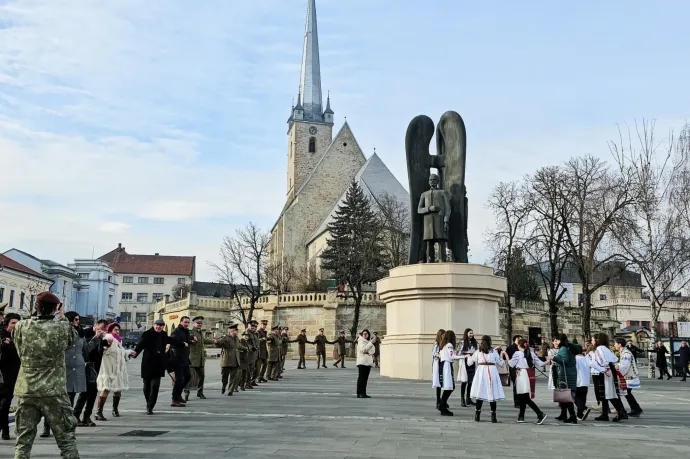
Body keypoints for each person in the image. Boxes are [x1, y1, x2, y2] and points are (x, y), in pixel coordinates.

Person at [12, 292, 80, 459]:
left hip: (27, 389)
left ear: (36, 307)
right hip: (53, 390)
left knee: (23, 442)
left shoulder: (21, 326)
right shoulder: (62, 327)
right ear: (56, 308)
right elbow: (73, 337)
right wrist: (62, 316)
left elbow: (17, 342)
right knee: (66, 439)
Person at [131, 319, 176, 414]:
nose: (159, 327)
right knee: (146, 387)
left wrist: (183, 344)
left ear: (163, 326)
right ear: (154, 325)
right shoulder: (147, 334)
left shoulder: (163, 335)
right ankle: (149, 402)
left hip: (159, 364)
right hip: (147, 363)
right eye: (157, 325)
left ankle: (150, 406)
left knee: (155, 386)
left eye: (161, 325)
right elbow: (140, 345)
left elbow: (172, 340)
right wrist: (135, 353)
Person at [95, 322, 134, 420]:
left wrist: (128, 353)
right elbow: (103, 350)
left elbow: (120, 353)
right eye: (115, 330)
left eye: (118, 330)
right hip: (109, 369)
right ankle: (98, 412)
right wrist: (107, 344)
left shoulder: (118, 341)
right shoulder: (108, 338)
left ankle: (115, 409)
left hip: (118, 370)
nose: (117, 331)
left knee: (118, 390)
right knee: (106, 389)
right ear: (110, 330)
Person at [73, 319, 107, 427]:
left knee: (92, 393)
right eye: (100, 329)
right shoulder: (86, 333)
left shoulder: (102, 337)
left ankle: (87, 416)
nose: (101, 331)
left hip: (95, 368)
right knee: (84, 393)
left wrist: (106, 343)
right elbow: (85, 348)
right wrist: (96, 337)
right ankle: (76, 415)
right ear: (95, 326)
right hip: (85, 367)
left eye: (104, 330)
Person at [468, 335, 508, 423]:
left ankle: (477, 415)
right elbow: (501, 364)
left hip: (481, 371)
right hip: (492, 371)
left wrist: (468, 357)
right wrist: (501, 354)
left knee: (480, 392)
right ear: (490, 342)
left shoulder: (478, 351)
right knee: (492, 393)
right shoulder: (493, 351)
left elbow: (470, 362)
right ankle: (493, 416)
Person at [590, 333, 628, 422]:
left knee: (609, 393)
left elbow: (601, 361)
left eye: (593, 339)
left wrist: (603, 369)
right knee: (606, 394)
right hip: (609, 371)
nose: (592, 341)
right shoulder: (606, 348)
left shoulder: (599, 349)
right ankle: (604, 413)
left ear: (597, 340)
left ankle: (621, 412)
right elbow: (615, 359)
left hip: (605, 372)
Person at [509, 338, 547, 424]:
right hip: (528, 374)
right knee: (523, 396)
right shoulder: (532, 353)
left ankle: (540, 413)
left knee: (525, 397)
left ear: (519, 346)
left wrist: (505, 356)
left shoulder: (517, 353)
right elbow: (541, 363)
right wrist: (548, 360)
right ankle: (521, 416)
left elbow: (511, 363)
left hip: (521, 374)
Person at [546, 334, 580, 424]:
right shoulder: (568, 347)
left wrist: (553, 357)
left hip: (566, 375)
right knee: (567, 396)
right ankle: (570, 416)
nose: (556, 342)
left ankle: (573, 417)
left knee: (566, 396)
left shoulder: (563, 348)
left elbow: (564, 360)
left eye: (558, 340)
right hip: (570, 374)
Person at [0, 313, 20, 441]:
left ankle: (5, 431)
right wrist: (3, 344)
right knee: (3, 405)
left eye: (17, 323)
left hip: (13, 376)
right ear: (7, 324)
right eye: (13, 323)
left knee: (5, 404)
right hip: (2, 375)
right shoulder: (2, 336)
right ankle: (5, 430)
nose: (15, 325)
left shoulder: (20, 337)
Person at [614, 337, 643, 417]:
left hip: (630, 377)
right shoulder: (624, 352)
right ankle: (636, 409)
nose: (614, 345)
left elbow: (624, 366)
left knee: (627, 393)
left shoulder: (626, 353)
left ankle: (636, 409)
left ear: (619, 344)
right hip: (628, 377)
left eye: (615, 343)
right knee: (627, 393)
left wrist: (618, 370)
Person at [437, 330, 463, 416]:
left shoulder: (443, 345)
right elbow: (452, 356)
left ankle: (442, 404)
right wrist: (464, 356)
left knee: (448, 386)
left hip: (444, 365)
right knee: (449, 387)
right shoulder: (449, 345)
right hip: (447, 366)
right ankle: (442, 406)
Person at [215, 324, 245, 395]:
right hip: (226, 360)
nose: (237, 332)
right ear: (232, 331)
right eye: (235, 330)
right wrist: (216, 341)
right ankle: (224, 385)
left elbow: (238, 346)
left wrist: (245, 348)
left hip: (235, 360)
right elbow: (219, 342)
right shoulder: (226, 338)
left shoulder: (237, 338)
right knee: (224, 376)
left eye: (237, 330)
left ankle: (230, 390)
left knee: (233, 376)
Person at [169, 316, 192, 407]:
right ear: (181, 322)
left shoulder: (185, 331)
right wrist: (182, 344)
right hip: (177, 359)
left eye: (188, 322)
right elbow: (173, 343)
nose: (186, 324)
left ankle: (178, 394)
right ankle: (175, 399)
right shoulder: (176, 331)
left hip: (185, 358)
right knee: (179, 379)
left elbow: (185, 341)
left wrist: (191, 340)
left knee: (187, 376)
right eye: (185, 322)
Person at [185, 316, 206, 401]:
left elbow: (204, 340)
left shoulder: (200, 332)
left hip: (200, 359)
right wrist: (192, 338)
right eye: (198, 323)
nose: (200, 324)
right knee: (189, 377)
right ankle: (186, 393)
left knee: (202, 376)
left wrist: (215, 341)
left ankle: (200, 392)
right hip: (192, 359)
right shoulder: (190, 332)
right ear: (194, 323)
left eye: (201, 323)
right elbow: (187, 337)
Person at [457, 328, 477, 407]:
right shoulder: (462, 342)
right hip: (465, 361)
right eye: (470, 333)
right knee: (464, 381)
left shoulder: (474, 342)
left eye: (472, 333)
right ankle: (462, 399)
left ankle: (468, 398)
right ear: (466, 334)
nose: (471, 335)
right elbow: (457, 353)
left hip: (472, 361)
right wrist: (465, 356)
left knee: (470, 381)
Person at [356, 329, 376, 398]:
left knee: (365, 379)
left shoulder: (368, 342)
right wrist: (370, 344)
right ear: (362, 334)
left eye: (366, 333)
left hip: (368, 362)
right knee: (361, 378)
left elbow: (373, 350)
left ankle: (363, 392)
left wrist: (368, 351)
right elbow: (363, 350)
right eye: (364, 333)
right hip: (362, 362)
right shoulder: (360, 341)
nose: (365, 335)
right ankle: (359, 393)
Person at [575, 346, 592, 421]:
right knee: (582, 397)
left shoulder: (575, 359)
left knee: (574, 396)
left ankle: (583, 408)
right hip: (585, 381)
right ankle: (580, 414)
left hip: (578, 381)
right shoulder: (586, 358)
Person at [506, 334, 522, 408]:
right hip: (514, 369)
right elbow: (506, 358)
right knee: (516, 385)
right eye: (518, 339)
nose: (519, 341)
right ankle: (517, 402)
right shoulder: (510, 348)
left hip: (522, 368)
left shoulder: (523, 348)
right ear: (514, 340)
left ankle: (522, 401)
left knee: (521, 385)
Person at [431, 329, 445, 410]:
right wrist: (439, 355)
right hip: (438, 364)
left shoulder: (445, 343)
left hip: (443, 363)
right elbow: (434, 353)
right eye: (443, 335)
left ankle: (443, 401)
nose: (444, 336)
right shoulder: (437, 343)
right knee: (439, 384)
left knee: (444, 382)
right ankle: (438, 401)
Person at [244, 321, 259, 388]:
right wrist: (251, 348)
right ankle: (246, 383)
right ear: (248, 326)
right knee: (248, 370)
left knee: (252, 369)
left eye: (254, 326)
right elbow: (246, 342)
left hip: (254, 354)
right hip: (249, 354)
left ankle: (249, 382)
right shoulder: (247, 333)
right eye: (251, 326)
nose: (253, 327)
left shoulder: (254, 333)